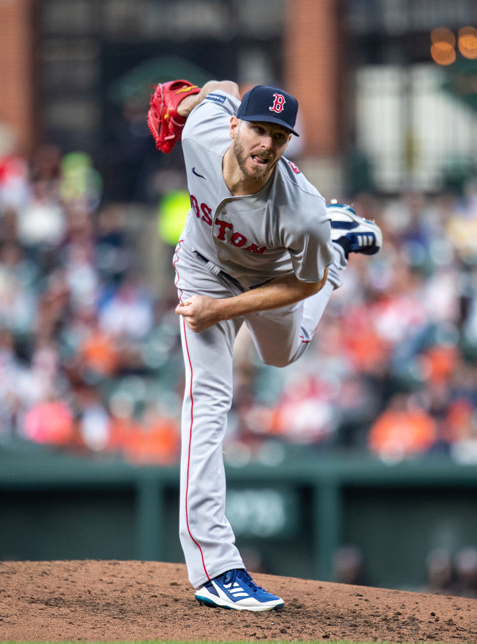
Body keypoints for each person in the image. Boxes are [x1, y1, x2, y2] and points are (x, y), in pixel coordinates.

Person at [147, 79, 382, 611]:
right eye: (259, 129)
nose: (267, 144)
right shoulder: (204, 132)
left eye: (279, 135)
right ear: (235, 125)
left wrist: (222, 312)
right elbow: (219, 88)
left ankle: (336, 245)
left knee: (283, 353)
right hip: (203, 269)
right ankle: (216, 567)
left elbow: (303, 285)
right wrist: (187, 101)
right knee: (207, 404)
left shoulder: (299, 210)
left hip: (277, 277)